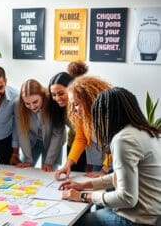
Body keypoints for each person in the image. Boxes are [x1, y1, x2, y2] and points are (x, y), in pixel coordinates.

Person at [60, 87, 161, 226]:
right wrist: (84, 185)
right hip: (152, 213)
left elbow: (127, 198)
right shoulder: (145, 132)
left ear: (106, 115)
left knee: (74, 221)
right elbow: (121, 176)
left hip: (137, 219)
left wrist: (83, 196)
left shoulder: (123, 140)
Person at [55, 76, 111, 180]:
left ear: (93, 100)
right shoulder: (81, 117)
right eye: (75, 104)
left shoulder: (108, 118)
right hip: (101, 159)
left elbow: (114, 147)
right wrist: (68, 164)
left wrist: (105, 170)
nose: (77, 109)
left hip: (117, 160)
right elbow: (81, 139)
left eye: (80, 104)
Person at [15, 79, 66, 172]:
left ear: (42, 96)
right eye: (27, 103)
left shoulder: (54, 103)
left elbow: (57, 135)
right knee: (25, 169)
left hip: (52, 142)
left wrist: (49, 162)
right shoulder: (18, 105)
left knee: (48, 172)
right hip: (33, 141)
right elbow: (22, 133)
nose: (32, 107)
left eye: (35, 102)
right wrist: (28, 159)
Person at [48, 60, 88, 172]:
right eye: (53, 95)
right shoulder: (57, 107)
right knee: (74, 173)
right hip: (74, 142)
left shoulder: (81, 105)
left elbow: (84, 136)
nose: (57, 98)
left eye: (61, 93)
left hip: (91, 145)